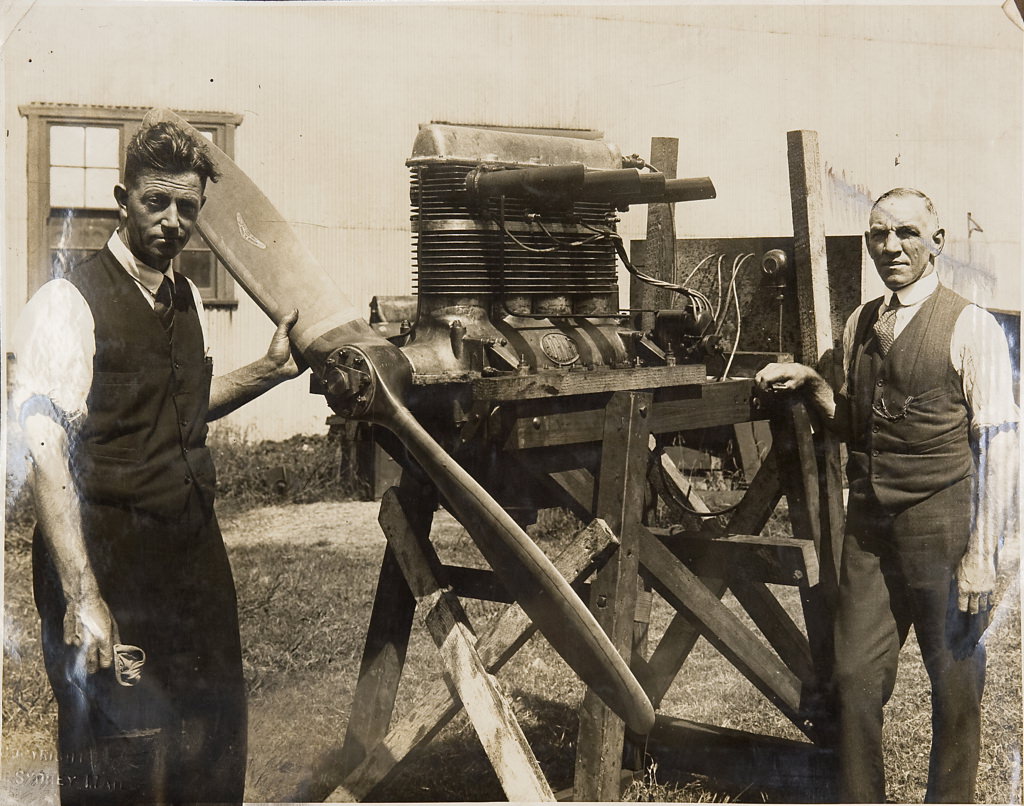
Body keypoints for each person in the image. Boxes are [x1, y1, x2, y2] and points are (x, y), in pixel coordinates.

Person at [11, 121, 306, 805]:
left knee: (210, 742)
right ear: (123, 198)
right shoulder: (66, 303)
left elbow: (182, 410)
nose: (174, 222)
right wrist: (85, 597)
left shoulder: (186, 297)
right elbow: (47, 454)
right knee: (120, 760)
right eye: (156, 203)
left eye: (189, 208)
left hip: (190, 555)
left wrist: (265, 372)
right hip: (109, 554)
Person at [755, 187, 1018, 802]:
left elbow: (1001, 446)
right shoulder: (860, 322)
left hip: (943, 526)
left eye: (906, 233)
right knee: (853, 676)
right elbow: (857, 422)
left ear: (937, 243)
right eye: (879, 234)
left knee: (953, 683)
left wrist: (982, 554)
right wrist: (817, 384)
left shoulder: (971, 325)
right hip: (870, 531)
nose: (891, 246)